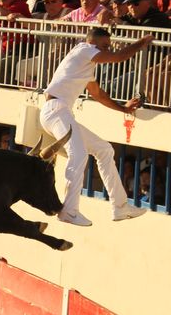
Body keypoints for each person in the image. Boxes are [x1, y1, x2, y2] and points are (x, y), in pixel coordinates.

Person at [39, 27, 153, 226]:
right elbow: (117, 57)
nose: (107, 50)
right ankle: (68, 211)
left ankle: (120, 206)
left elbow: (98, 94)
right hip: (56, 110)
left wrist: (123, 109)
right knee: (79, 154)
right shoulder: (83, 50)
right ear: (93, 44)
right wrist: (141, 43)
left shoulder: (85, 66)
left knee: (104, 149)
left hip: (61, 112)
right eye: (104, 46)